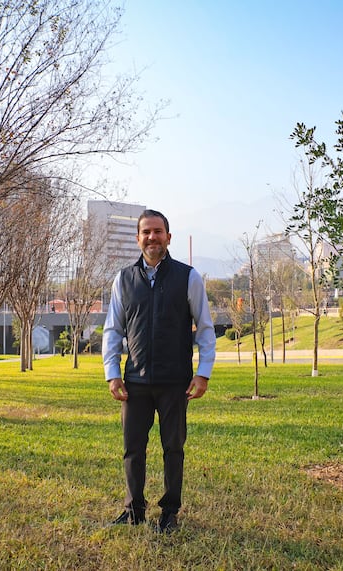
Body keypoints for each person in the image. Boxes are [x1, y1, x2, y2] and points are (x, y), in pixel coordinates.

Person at [102, 209, 216, 534]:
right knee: (132, 449)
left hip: (175, 382)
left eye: (157, 231)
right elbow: (113, 331)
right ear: (138, 238)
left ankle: (169, 513)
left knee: (173, 449)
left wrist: (203, 373)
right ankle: (134, 510)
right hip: (134, 382)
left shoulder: (188, 277)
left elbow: (206, 329)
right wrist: (113, 373)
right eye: (146, 232)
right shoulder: (123, 280)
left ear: (168, 237)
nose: (152, 237)